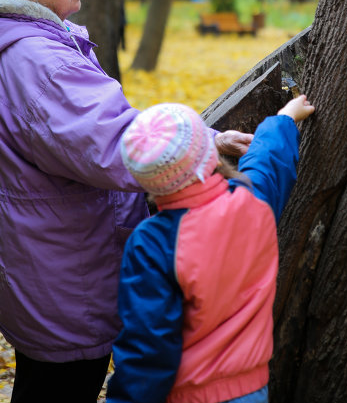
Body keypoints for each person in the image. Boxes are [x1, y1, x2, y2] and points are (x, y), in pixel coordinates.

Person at [0, 0, 252, 403]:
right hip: (66, 280)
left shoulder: (22, 42)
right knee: (59, 389)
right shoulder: (43, 63)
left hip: (41, 262)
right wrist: (206, 143)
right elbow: (117, 142)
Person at [106, 94, 315, 403]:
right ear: (212, 155)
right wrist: (283, 119)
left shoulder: (151, 243)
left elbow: (147, 346)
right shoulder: (251, 202)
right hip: (251, 390)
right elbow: (268, 162)